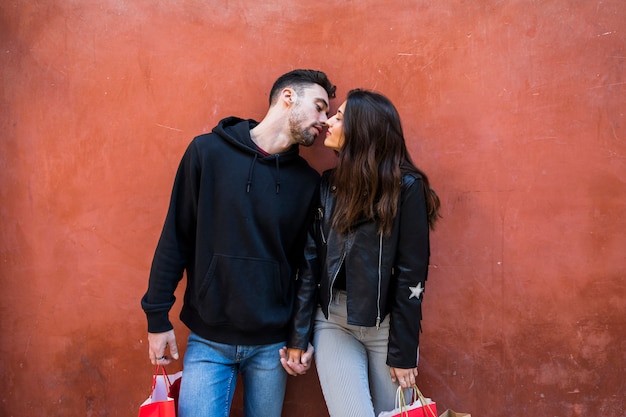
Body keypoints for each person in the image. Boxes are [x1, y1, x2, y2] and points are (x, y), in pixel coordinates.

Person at [140, 69, 336, 417]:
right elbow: (176, 236)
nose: (325, 120)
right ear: (288, 97)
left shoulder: (308, 183)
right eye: (319, 107)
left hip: (271, 347)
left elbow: (307, 268)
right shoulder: (208, 153)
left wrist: (298, 336)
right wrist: (157, 317)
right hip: (208, 339)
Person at [280, 89, 441, 417]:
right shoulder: (327, 185)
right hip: (333, 323)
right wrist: (299, 335)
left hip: (386, 326)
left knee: (392, 412)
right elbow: (310, 265)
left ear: (362, 131)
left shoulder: (407, 188)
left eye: (339, 118)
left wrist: (403, 352)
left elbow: (413, 275)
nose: (328, 122)